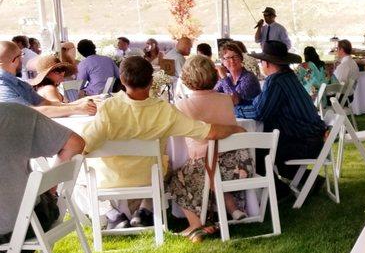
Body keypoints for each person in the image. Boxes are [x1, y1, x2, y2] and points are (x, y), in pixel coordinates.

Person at [82, 56, 245, 229]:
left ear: (122, 79)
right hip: (150, 177)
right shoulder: (164, 110)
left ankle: (111, 213)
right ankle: (144, 209)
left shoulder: (108, 108)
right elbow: (208, 131)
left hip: (109, 178)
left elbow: (85, 145)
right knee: (169, 169)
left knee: (77, 176)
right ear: (152, 81)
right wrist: (235, 129)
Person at [169, 55, 253, 241]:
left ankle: (195, 224)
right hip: (238, 166)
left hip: (206, 168)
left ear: (187, 78)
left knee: (177, 178)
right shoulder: (226, 100)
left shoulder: (182, 105)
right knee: (214, 169)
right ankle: (231, 208)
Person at [0, 103, 85, 253]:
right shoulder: (16, 112)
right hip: (34, 220)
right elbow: (75, 144)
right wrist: (51, 187)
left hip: (16, 228)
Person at [235, 41, 326, 185]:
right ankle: (310, 181)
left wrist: (234, 109)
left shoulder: (276, 81)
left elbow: (260, 112)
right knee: (264, 148)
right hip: (313, 139)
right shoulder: (288, 77)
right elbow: (260, 104)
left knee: (256, 151)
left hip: (303, 143)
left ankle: (279, 191)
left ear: (267, 63)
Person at [0, 41, 96, 117]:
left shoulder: (19, 83)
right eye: (21, 55)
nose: (22, 59)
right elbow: (29, 112)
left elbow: (46, 103)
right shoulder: (3, 85)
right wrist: (77, 109)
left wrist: (79, 105)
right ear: (14, 60)